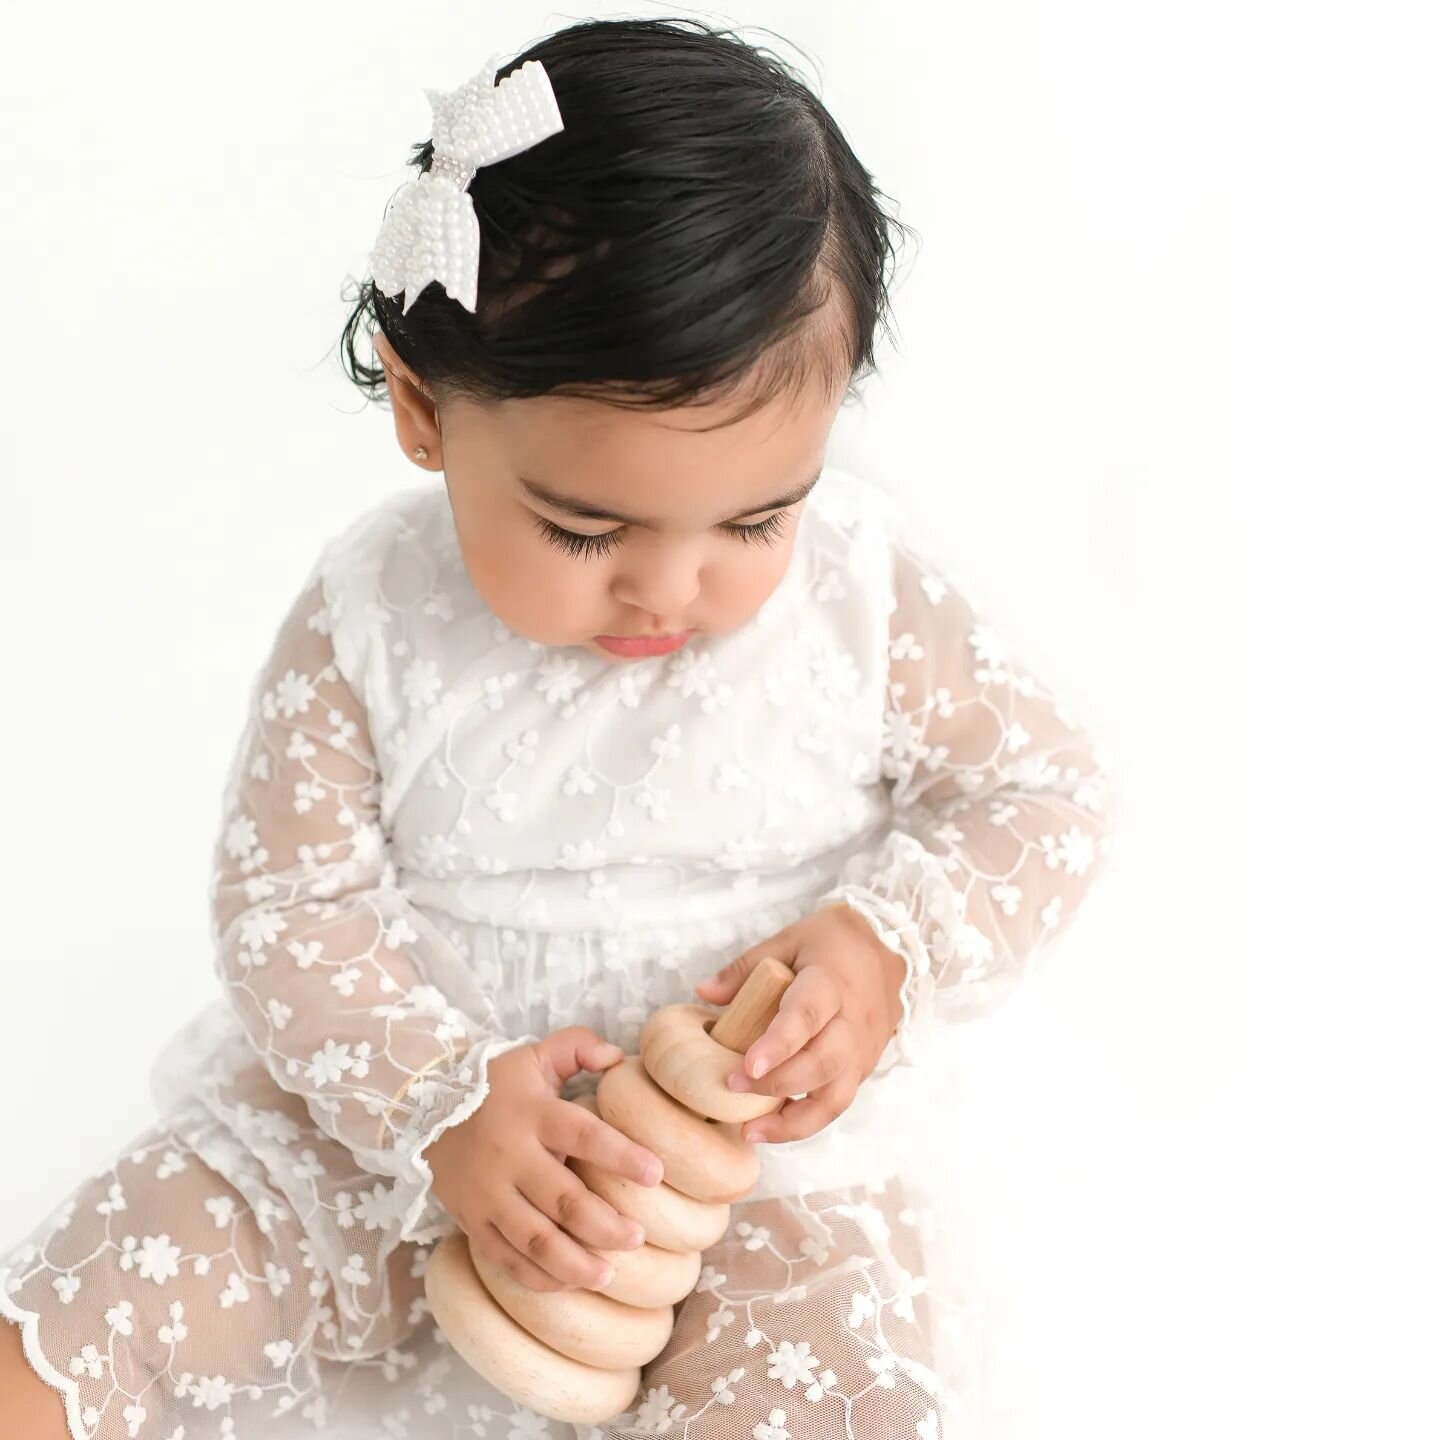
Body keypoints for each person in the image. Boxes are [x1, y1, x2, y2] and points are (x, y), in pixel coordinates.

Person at [0, 16, 1115, 1439]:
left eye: (758, 515)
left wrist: (885, 948)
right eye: (585, 526)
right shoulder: (371, 611)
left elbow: (1040, 789)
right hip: (397, 1142)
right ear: (423, 410)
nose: (674, 586)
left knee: (826, 1390)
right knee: (110, 1287)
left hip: (748, 1164)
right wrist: (438, 1105)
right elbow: (287, 906)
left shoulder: (863, 593)